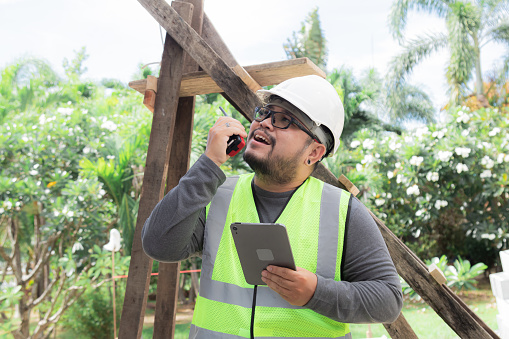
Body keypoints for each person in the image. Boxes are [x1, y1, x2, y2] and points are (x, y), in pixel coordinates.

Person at [142, 75, 403, 338]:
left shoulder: (343, 212)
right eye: (265, 112)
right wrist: (208, 164)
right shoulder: (216, 196)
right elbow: (158, 244)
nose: (264, 122)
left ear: (314, 152)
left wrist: (315, 292)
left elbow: (388, 301)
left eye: (283, 119)